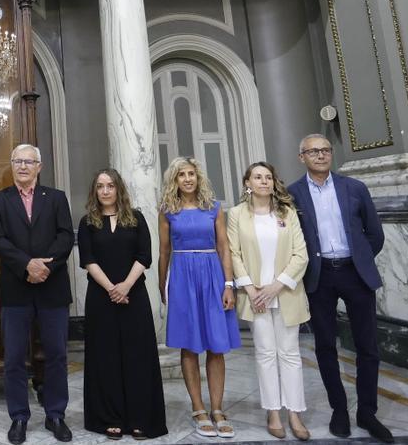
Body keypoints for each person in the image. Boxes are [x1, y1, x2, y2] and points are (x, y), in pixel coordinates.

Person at [288, 135, 393, 443]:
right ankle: (339, 411)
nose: (321, 155)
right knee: (325, 345)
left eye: (325, 150)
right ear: (302, 157)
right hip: (319, 277)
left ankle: (367, 412)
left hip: (355, 273)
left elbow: (375, 234)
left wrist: (359, 259)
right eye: (313, 151)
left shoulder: (355, 188)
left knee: (367, 345)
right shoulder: (293, 194)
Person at [0, 144, 75, 445]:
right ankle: (19, 418)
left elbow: (65, 235)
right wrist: (27, 265)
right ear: (11, 165)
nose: (23, 166)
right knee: (13, 358)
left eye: (29, 161)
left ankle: (55, 414)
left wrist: (44, 265)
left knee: (57, 354)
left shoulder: (57, 198)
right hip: (16, 289)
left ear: (40, 166)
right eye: (17, 161)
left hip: (53, 287)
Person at [77, 168, 167, 441]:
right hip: (101, 298)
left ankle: (140, 418)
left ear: (119, 189)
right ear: (95, 190)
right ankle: (110, 417)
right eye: (101, 186)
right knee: (105, 358)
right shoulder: (87, 222)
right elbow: (88, 260)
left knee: (137, 357)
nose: (105, 191)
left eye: (110, 186)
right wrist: (111, 289)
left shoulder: (136, 218)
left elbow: (144, 256)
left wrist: (125, 286)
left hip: (134, 296)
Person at [157, 156, 240, 439]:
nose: (188, 179)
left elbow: (224, 248)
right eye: (182, 175)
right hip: (181, 277)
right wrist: (161, 285)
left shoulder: (214, 208)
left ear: (198, 177)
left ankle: (217, 408)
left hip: (212, 276)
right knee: (189, 344)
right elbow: (164, 251)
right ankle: (198, 408)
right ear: (174, 180)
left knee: (216, 345)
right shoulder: (168, 210)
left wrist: (229, 284)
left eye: (192, 173)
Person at [227, 162, 311, 441]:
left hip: (285, 293)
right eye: (258, 177)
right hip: (255, 297)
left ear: (274, 183)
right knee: (265, 354)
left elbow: (301, 255)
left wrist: (276, 286)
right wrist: (251, 290)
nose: (264, 181)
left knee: (290, 354)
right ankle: (273, 411)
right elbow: (233, 254)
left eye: (268, 177)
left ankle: (295, 413)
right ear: (247, 183)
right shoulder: (237, 214)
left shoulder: (287, 213)